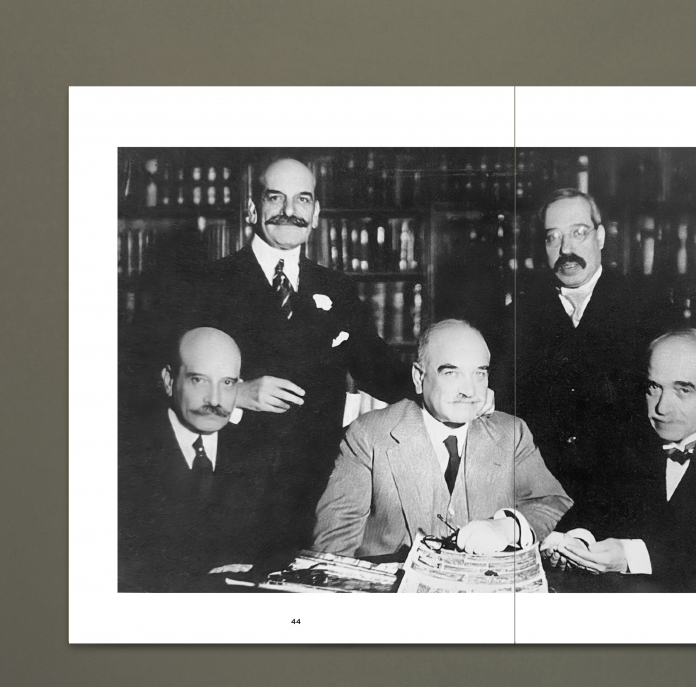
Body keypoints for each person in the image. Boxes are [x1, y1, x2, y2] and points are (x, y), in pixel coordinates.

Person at [189, 157, 414, 550]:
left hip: (316, 492)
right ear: (252, 209)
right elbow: (166, 378)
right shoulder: (207, 284)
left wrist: (446, 385)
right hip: (233, 491)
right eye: (275, 197)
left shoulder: (338, 288)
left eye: (302, 199)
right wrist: (236, 393)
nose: (289, 211)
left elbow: (381, 370)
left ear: (316, 214)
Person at [543, 328, 696, 592]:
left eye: (683, 390)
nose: (661, 408)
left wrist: (629, 556)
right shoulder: (629, 443)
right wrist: (578, 541)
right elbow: (595, 507)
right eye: (654, 387)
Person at [313, 319, 572, 558]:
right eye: (451, 373)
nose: (469, 390)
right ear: (419, 377)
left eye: (479, 373)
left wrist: (507, 527)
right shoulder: (369, 435)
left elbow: (551, 501)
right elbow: (333, 549)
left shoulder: (511, 433)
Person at [496, 188, 676, 509]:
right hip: (540, 498)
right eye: (553, 237)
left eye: (578, 233)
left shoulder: (650, 309)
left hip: (625, 497)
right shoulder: (516, 317)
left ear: (600, 237)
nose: (566, 249)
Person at [118, 327, 285, 592]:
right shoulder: (124, 453)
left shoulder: (258, 453)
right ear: (169, 380)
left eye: (227, 383)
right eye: (199, 380)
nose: (215, 400)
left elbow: (276, 551)